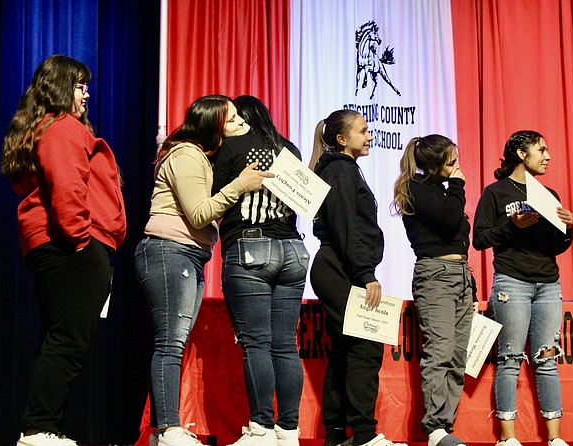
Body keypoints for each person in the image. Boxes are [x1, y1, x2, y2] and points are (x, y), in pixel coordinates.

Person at [0, 55, 127, 446]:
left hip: (55, 242)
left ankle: (42, 426)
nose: (86, 92)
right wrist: (81, 239)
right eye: (78, 85)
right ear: (59, 87)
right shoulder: (63, 128)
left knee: (61, 337)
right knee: (69, 339)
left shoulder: (48, 129)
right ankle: (38, 428)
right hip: (69, 243)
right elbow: (68, 184)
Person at [134, 95, 273, 446]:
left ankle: (165, 428)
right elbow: (198, 213)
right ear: (214, 126)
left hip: (189, 254)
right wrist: (240, 184)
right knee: (170, 342)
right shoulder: (187, 155)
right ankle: (167, 428)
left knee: (175, 342)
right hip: (169, 251)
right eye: (233, 121)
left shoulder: (200, 158)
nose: (242, 125)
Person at [211, 95, 309, 446]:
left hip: (252, 245)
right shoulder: (290, 150)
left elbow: (212, 195)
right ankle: (289, 429)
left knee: (256, 342)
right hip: (294, 250)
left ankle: (261, 428)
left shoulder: (234, 145)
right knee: (285, 344)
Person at [473, 130, 573, 446]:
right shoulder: (495, 193)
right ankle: (508, 437)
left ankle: (554, 438)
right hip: (512, 282)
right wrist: (511, 226)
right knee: (510, 358)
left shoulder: (549, 194)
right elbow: (479, 239)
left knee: (546, 358)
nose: (548, 155)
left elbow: (557, 246)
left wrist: (567, 230)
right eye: (541, 149)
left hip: (548, 284)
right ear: (520, 153)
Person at [308, 109, 401, 446]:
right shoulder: (341, 170)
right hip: (339, 268)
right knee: (365, 346)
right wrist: (365, 274)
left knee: (346, 349)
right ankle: (363, 434)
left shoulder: (343, 170)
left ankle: (336, 434)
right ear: (342, 139)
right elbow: (347, 224)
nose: (370, 136)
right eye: (363, 131)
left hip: (338, 266)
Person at [391, 135, 474, 446]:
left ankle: (445, 428)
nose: (456, 168)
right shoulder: (417, 188)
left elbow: (459, 231)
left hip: (460, 275)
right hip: (436, 276)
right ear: (434, 164)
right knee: (439, 352)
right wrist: (457, 186)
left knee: (457, 355)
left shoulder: (439, 191)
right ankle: (435, 427)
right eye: (451, 162)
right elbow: (449, 219)